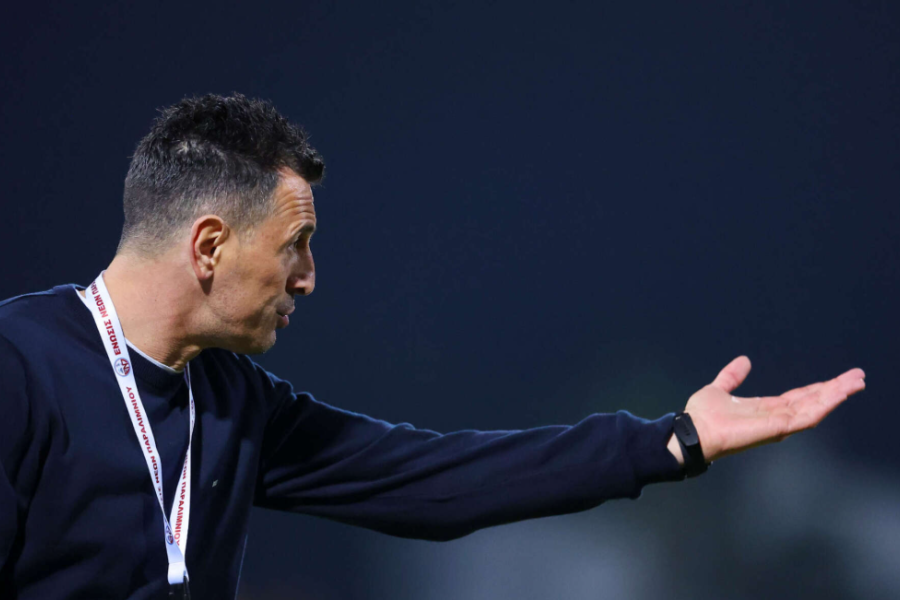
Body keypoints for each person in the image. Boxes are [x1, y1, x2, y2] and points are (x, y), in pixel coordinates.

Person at [0, 93, 866, 600]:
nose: (309, 279)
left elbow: (436, 480)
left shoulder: (231, 399)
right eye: (295, 246)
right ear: (209, 246)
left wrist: (671, 441)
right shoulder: (19, 368)